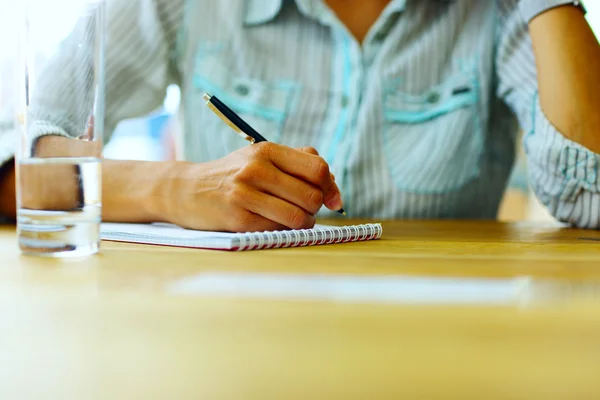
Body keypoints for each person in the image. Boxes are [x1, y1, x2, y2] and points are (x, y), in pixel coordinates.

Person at [1, 0, 599, 231]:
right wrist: (175, 189)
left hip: (440, 350)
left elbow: (587, 194)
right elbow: (18, 159)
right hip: (228, 340)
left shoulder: (499, 13)